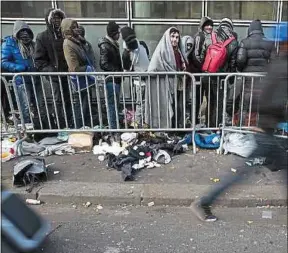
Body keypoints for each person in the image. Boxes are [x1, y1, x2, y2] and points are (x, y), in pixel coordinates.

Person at [191, 22, 288, 222]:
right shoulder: (281, 65)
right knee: (240, 175)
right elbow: (271, 98)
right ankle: (204, 202)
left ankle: (204, 202)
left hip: (265, 129)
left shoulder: (279, 62)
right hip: (265, 131)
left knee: (249, 173)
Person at [34, 8, 70, 129]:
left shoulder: (66, 35)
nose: (56, 21)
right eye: (54, 18)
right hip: (54, 76)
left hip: (68, 75)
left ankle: (70, 124)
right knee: (58, 100)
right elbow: (39, 61)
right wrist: (52, 71)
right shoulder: (42, 37)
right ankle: (60, 126)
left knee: (68, 100)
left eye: (59, 18)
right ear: (49, 20)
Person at [145, 27, 186, 129]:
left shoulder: (179, 51)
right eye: (172, 36)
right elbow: (153, 68)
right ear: (167, 37)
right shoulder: (161, 50)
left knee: (177, 108)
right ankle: (167, 129)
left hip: (176, 84)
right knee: (166, 108)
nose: (175, 39)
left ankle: (175, 129)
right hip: (164, 85)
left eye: (177, 37)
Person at [1, 20, 42, 125]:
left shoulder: (33, 45)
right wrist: (19, 67)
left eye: (27, 32)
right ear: (17, 33)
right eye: (22, 32)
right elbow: (3, 62)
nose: (25, 35)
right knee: (25, 107)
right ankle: (27, 130)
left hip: (35, 78)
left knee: (39, 104)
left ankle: (39, 127)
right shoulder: (9, 44)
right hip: (21, 80)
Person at [235, 19, 274, 124]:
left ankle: (241, 128)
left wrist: (241, 70)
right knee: (260, 106)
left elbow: (240, 60)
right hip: (263, 79)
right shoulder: (269, 43)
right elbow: (273, 61)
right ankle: (258, 127)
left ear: (250, 29)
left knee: (244, 105)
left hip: (248, 79)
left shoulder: (245, 42)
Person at [61, 18, 97, 128]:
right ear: (67, 29)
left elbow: (88, 55)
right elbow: (74, 67)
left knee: (86, 105)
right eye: (73, 27)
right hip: (79, 80)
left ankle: (85, 128)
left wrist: (84, 42)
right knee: (80, 106)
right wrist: (88, 69)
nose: (76, 30)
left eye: (77, 27)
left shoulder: (78, 41)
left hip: (86, 79)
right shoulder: (68, 44)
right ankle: (79, 129)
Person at [121, 26, 150, 126]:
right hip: (149, 78)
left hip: (139, 82)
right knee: (146, 103)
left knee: (140, 104)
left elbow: (126, 70)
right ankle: (145, 123)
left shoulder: (126, 53)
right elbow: (148, 58)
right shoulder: (142, 44)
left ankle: (138, 124)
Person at [188, 17, 213, 126]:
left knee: (205, 98)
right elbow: (196, 55)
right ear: (202, 26)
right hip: (200, 73)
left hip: (203, 73)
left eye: (211, 25)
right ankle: (195, 122)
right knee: (197, 99)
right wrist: (204, 68)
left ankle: (202, 122)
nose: (209, 27)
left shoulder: (208, 36)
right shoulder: (199, 36)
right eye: (207, 25)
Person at [98, 21, 123, 129]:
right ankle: (113, 128)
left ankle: (115, 126)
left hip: (115, 79)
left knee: (115, 104)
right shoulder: (106, 46)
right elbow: (103, 63)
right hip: (111, 80)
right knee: (112, 105)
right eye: (118, 32)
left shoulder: (113, 44)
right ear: (113, 33)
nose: (119, 35)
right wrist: (116, 71)